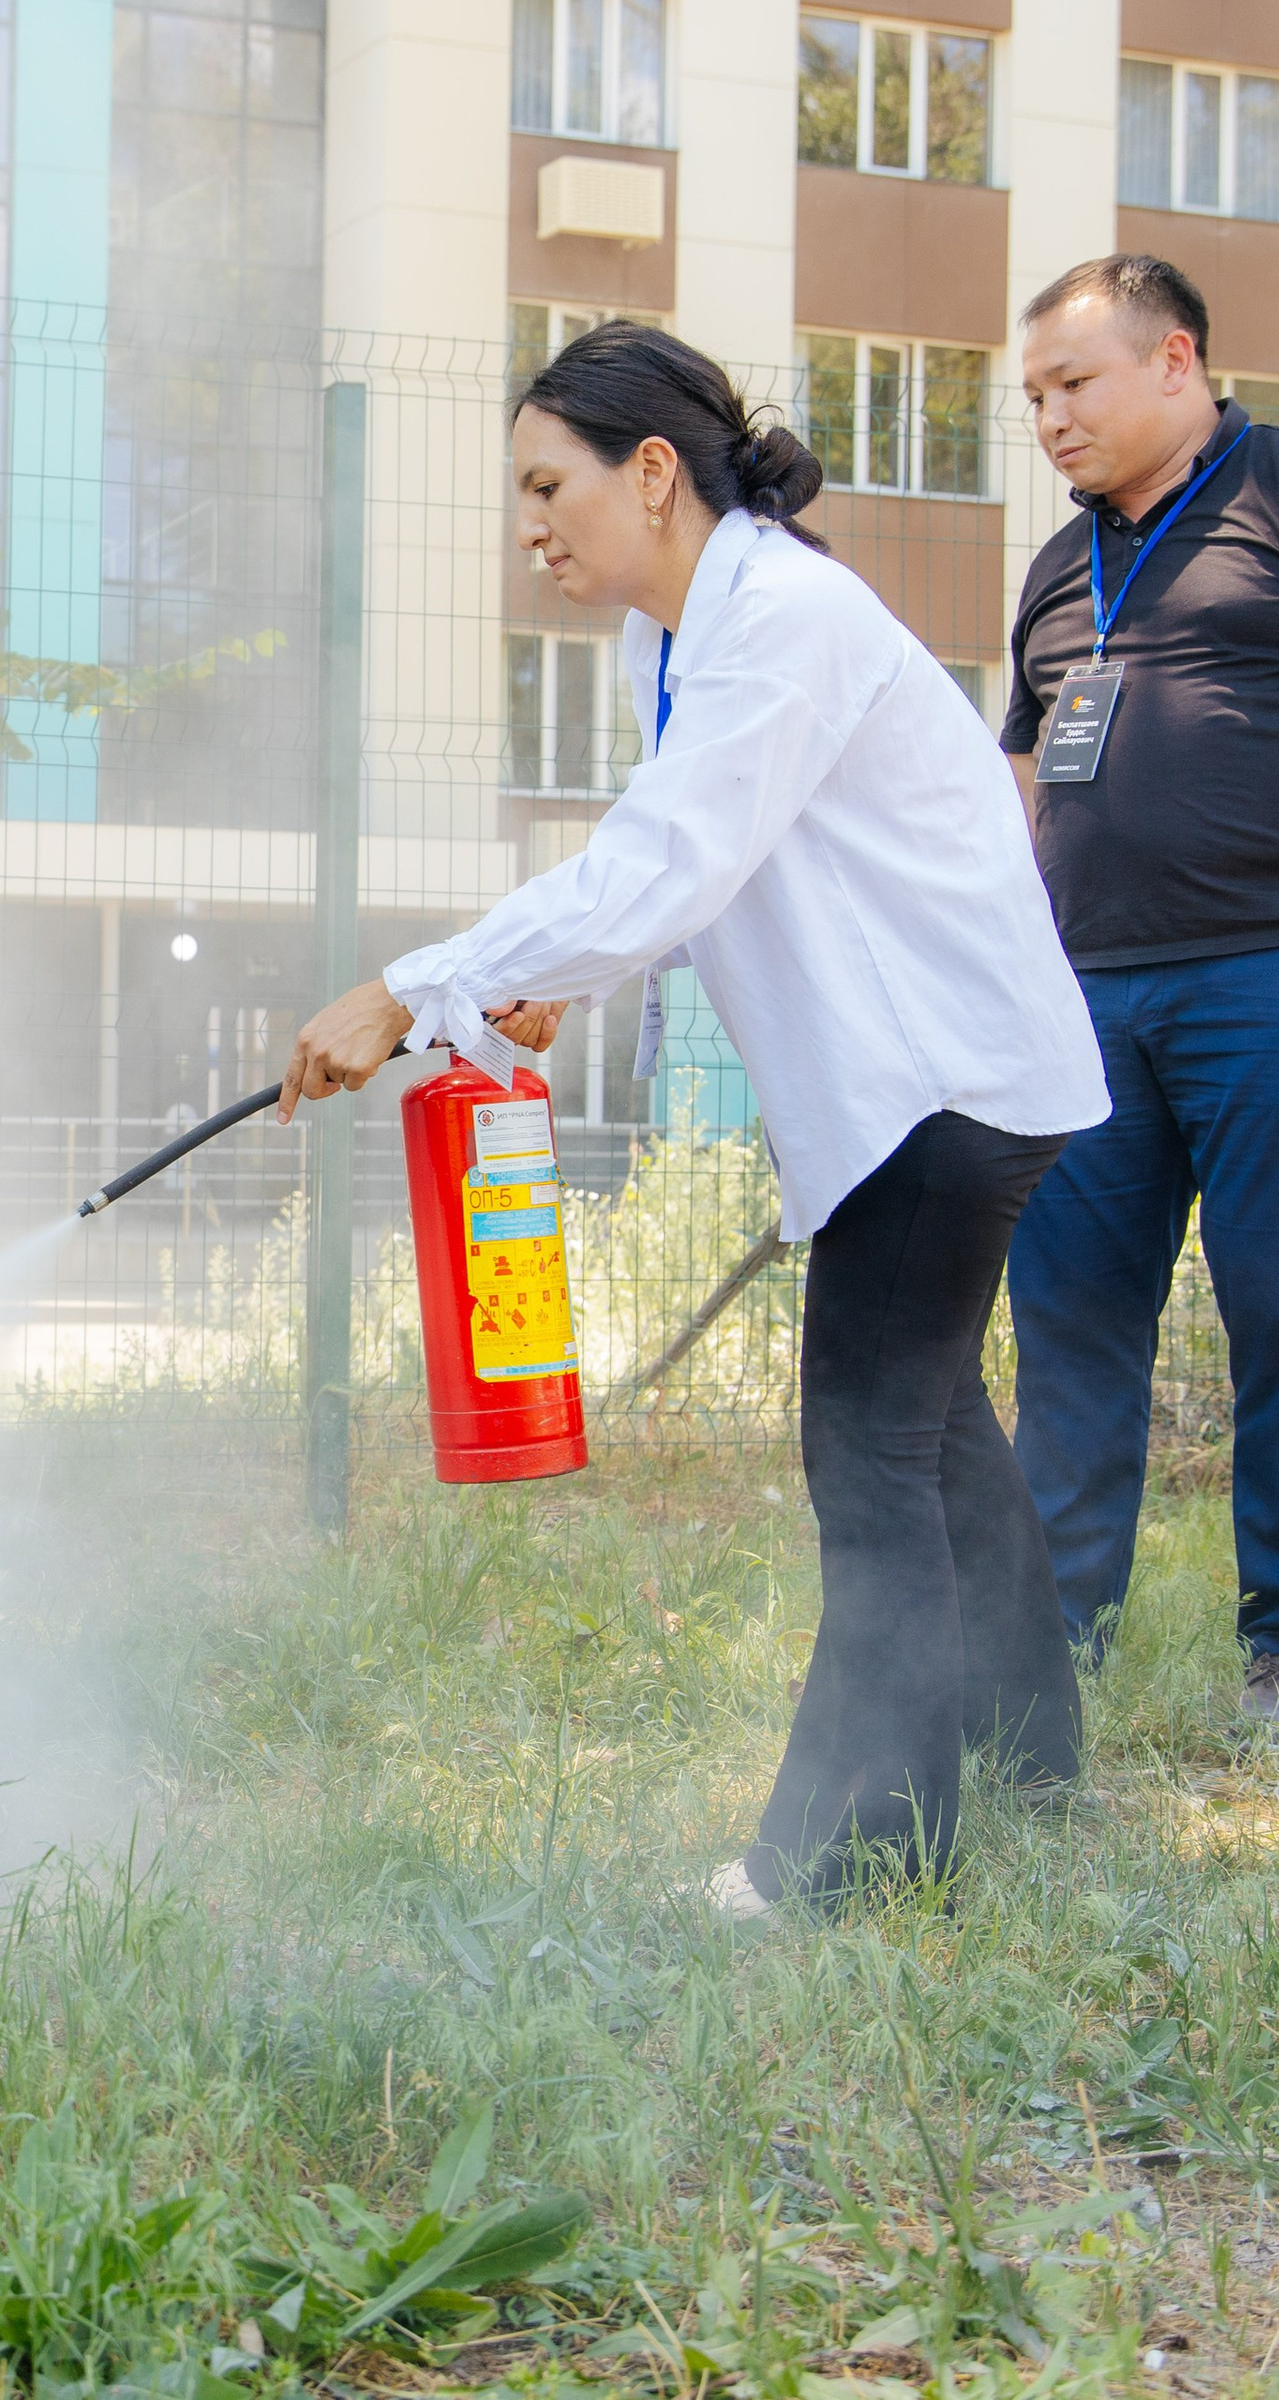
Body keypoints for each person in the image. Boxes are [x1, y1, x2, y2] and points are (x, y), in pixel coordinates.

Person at [279, 322, 1107, 1914]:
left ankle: (846, 1859)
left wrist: (412, 988)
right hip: (948, 1075)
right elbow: (695, 856)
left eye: (549, 484)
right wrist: (555, 984)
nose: (532, 525)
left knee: (869, 1448)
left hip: (938, 1082)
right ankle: (1024, 1772)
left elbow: (669, 861)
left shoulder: (778, 618)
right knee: (932, 1437)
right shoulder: (712, 630)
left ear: (651, 472)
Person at [1001, 255, 1279, 1715]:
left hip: (1260, 980)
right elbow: (1023, 777)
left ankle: (1276, 1654)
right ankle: (1058, 1656)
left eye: (1075, 384)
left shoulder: (1272, 492)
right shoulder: (1057, 567)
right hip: (1085, 1000)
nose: (1048, 418)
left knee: (1277, 1318)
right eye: (1034, 394)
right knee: (1069, 1327)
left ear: (1177, 362)